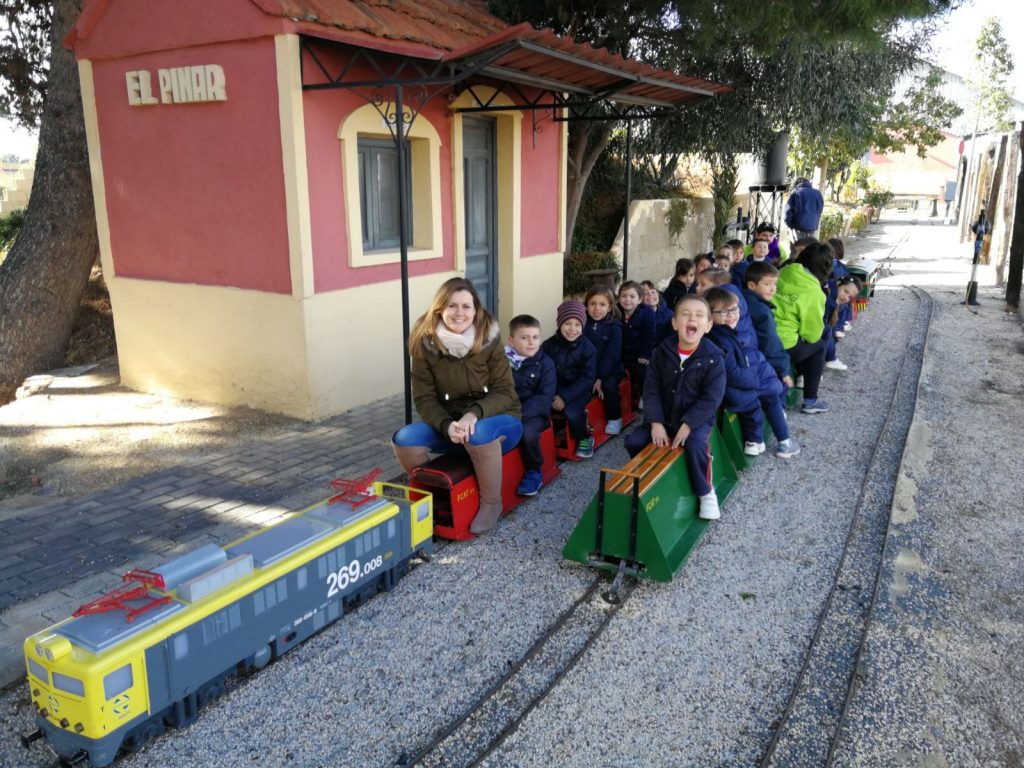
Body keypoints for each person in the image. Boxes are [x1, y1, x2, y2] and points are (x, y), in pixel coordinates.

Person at [392, 277, 523, 534]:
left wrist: (474, 414)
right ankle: (432, 497)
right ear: (440, 308)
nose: (459, 313)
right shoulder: (424, 343)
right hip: (453, 425)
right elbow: (425, 398)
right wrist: (445, 425)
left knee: (480, 432)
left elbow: (505, 391)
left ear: (476, 310)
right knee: (405, 438)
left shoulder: (489, 338)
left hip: (500, 421)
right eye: (452, 306)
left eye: (466, 306)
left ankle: (492, 503)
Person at [624, 295, 726, 520]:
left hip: (695, 420)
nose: (692, 319)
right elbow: (650, 389)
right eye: (685, 314)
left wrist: (689, 424)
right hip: (664, 417)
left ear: (708, 325)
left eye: (699, 315)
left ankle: (706, 492)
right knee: (634, 441)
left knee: (697, 445)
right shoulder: (661, 352)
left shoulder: (714, 358)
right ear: (674, 323)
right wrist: (656, 423)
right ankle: (653, 480)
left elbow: (711, 398)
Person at [705, 287, 800, 459]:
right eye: (724, 311)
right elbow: (733, 373)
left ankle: (764, 441)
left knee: (770, 395)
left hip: (743, 387)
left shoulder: (729, 332)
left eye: (734, 309)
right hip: (737, 391)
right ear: (711, 315)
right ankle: (782, 442)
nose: (731, 315)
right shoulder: (721, 339)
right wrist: (757, 382)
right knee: (770, 398)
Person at [772, 242, 835, 414]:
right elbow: (812, 334)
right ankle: (810, 401)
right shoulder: (814, 291)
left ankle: (801, 375)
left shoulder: (784, 271)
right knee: (819, 346)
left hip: (764, 334)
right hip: (784, 343)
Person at [505, 315, 557, 496]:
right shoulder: (503, 362)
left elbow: (545, 396)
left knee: (526, 432)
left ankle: (534, 471)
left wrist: (518, 414)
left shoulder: (546, 364)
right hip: (506, 411)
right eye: (524, 337)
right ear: (511, 341)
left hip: (535, 414)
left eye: (535, 337)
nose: (531, 342)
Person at [542, 300, 598, 458]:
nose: (572, 329)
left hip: (578, 391)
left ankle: (585, 437)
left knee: (572, 413)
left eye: (577, 325)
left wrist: (564, 397)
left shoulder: (588, 348)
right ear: (559, 323)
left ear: (583, 326)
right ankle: (542, 443)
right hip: (553, 389)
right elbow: (543, 371)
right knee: (536, 409)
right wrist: (551, 394)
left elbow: (587, 378)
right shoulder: (548, 346)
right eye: (567, 323)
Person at [742, 261, 793, 393]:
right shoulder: (761, 311)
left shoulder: (744, 299)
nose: (772, 289)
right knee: (780, 389)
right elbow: (770, 341)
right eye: (767, 284)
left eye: (775, 284)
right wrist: (783, 370)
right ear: (752, 285)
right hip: (759, 359)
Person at [583, 285, 625, 435]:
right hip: (587, 368)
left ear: (609, 307)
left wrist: (600, 377)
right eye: (592, 304)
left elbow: (611, 355)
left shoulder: (614, 327)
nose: (596, 308)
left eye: (602, 304)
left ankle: (615, 418)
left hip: (609, 369)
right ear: (586, 305)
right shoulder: (582, 325)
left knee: (609, 386)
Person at [618, 280, 656, 397]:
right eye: (623, 296)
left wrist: (644, 355)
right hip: (620, 353)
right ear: (619, 298)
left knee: (643, 372)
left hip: (639, 353)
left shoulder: (646, 313)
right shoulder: (616, 313)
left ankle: (644, 396)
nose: (627, 299)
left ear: (639, 299)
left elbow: (649, 336)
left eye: (632, 296)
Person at [642, 279, 675, 344]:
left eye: (653, 292)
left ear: (658, 295)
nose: (650, 295)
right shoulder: (637, 315)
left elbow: (672, 337)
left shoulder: (669, 314)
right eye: (645, 293)